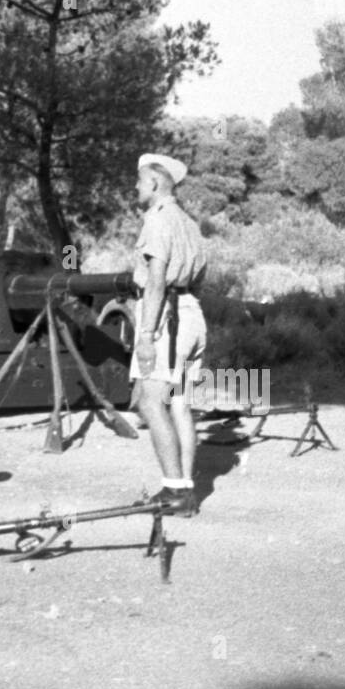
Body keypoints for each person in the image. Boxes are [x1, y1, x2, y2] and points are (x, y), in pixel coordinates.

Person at [130, 152, 208, 516]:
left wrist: (146, 334)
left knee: (149, 400)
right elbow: (199, 277)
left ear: (155, 183)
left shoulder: (158, 219)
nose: (136, 187)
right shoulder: (189, 223)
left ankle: (173, 490)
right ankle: (186, 492)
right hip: (191, 313)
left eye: (140, 181)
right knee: (178, 402)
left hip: (167, 319)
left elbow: (156, 279)